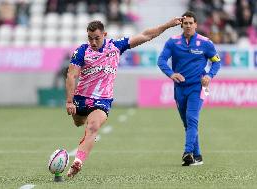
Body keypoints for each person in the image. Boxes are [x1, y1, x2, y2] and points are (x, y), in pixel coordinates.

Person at [65, 17, 183, 178]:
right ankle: (87, 137)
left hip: (102, 100)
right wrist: (70, 101)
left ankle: (78, 161)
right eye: (90, 38)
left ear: (104, 34)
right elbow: (72, 76)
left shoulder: (115, 46)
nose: (93, 42)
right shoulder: (81, 51)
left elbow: (146, 35)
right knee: (78, 122)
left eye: (97, 38)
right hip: (81, 98)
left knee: (92, 127)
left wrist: (168, 24)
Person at [157, 11, 221, 166]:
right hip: (179, 89)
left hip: (197, 87)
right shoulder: (173, 42)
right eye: (185, 23)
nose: (188, 26)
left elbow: (216, 62)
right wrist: (171, 74)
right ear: (181, 25)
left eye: (191, 23)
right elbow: (161, 61)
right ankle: (197, 156)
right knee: (187, 123)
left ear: (196, 25)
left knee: (192, 119)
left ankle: (188, 152)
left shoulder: (205, 43)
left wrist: (210, 76)